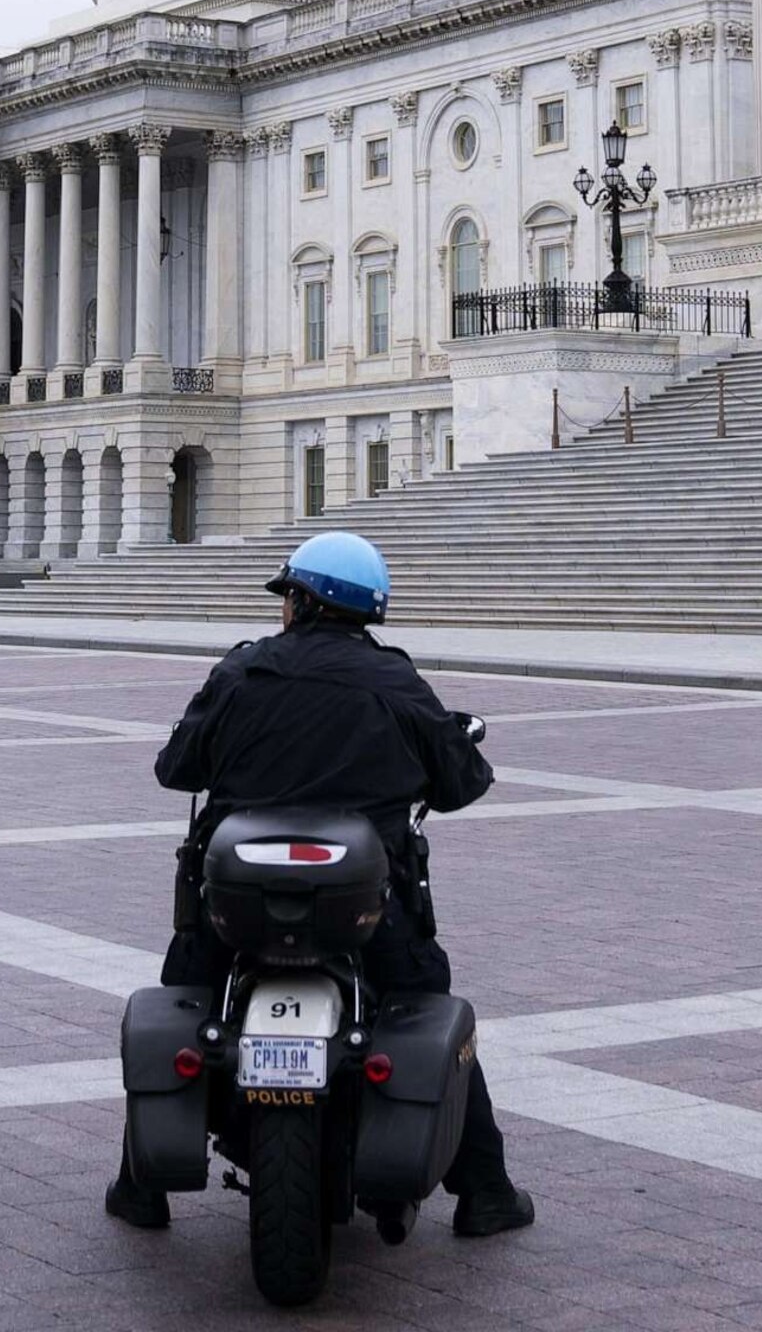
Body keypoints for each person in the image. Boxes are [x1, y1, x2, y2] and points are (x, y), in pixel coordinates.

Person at [103, 531, 533, 1241]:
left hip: (236, 902)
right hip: (365, 902)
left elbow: (177, 768)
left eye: (287, 597)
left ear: (302, 602)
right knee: (422, 1003)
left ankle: (140, 1186)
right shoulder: (395, 680)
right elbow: (463, 782)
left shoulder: (242, 673)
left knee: (190, 997)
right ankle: (484, 1190)